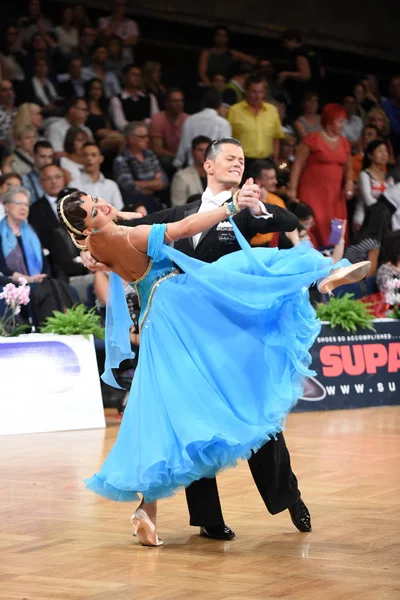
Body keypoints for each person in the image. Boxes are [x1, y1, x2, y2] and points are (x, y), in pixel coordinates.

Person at [63, 138, 369, 546]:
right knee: (197, 414)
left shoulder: (109, 236)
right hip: (189, 313)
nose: (238, 164)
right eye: (230, 157)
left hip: (207, 317)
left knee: (220, 407)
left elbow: (285, 220)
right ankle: (321, 274)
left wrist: (254, 208)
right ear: (207, 165)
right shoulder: (164, 220)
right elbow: (172, 226)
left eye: (242, 160)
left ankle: (276, 498)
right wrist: (227, 208)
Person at [288, 103, 352, 247]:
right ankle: (314, 252)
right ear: (330, 121)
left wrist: (348, 184)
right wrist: (292, 188)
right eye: (340, 121)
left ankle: (335, 253)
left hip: (335, 195)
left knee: (336, 222)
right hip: (313, 192)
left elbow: (349, 168)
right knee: (315, 220)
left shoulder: (344, 143)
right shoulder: (312, 140)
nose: (343, 125)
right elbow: (297, 165)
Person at [228, 74, 283, 169]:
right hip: (242, 161)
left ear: (265, 92)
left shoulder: (272, 110)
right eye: (253, 92)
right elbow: (228, 138)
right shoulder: (234, 110)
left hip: (266, 160)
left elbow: (276, 136)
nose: (257, 96)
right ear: (246, 91)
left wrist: (275, 157)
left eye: (260, 92)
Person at [113, 121, 168, 213]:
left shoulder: (150, 155)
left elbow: (164, 181)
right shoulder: (121, 160)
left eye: (147, 136)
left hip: (154, 203)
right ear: (131, 139)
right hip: (135, 206)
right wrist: (154, 183)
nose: (147, 140)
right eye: (142, 137)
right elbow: (128, 187)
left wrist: (139, 183)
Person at [0, 186, 49, 285]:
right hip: (11, 286)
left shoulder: (32, 231)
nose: (23, 207)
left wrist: (42, 276)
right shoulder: (1, 233)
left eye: (26, 204)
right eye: (18, 203)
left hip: (38, 282)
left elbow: (44, 262)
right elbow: (2, 268)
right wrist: (27, 279)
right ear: (6, 206)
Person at [174, 90, 231, 168]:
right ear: (219, 104)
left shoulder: (190, 120)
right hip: (214, 169)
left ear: (203, 103)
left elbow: (184, 145)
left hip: (193, 167)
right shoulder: (223, 123)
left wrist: (178, 164)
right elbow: (225, 150)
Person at [280, 29, 324, 118]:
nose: (284, 45)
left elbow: (305, 75)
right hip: (316, 92)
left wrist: (287, 74)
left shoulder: (299, 54)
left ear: (293, 40)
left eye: (285, 42)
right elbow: (322, 72)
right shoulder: (311, 51)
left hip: (304, 95)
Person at [353, 140, 395, 229]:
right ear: (370, 155)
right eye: (380, 151)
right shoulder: (364, 175)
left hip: (384, 221)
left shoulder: (389, 178)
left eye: (385, 151)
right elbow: (368, 200)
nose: (384, 154)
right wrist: (388, 209)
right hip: (365, 220)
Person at [70, 142, 123, 210]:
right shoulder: (74, 185)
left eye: (93, 155)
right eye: (85, 155)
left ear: (101, 159)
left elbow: (119, 210)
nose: (89, 158)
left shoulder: (111, 185)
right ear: (82, 159)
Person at [247, 159, 286, 247]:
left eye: (275, 177)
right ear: (258, 181)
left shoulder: (277, 200)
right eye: (271, 178)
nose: (275, 182)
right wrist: (263, 201)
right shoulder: (244, 198)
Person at [109, 64, 159, 132]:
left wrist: (145, 122)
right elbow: (120, 125)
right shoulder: (116, 99)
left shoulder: (150, 97)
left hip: (149, 134)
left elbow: (156, 120)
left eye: (139, 75)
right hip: (127, 137)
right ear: (125, 76)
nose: (137, 78)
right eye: (133, 75)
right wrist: (143, 123)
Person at [149, 88, 188, 173]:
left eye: (181, 101)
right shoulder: (157, 119)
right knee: (165, 161)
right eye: (175, 101)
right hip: (167, 158)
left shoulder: (188, 119)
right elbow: (157, 149)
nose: (179, 104)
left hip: (183, 157)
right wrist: (177, 157)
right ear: (166, 104)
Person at [85, 78, 125, 152]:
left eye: (99, 89)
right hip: (94, 139)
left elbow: (109, 126)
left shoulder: (103, 107)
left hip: (107, 135)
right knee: (121, 140)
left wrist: (109, 132)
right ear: (89, 90)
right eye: (94, 89)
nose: (96, 92)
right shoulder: (85, 106)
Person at [170, 135, 210, 206]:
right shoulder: (181, 176)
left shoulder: (218, 174)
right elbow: (177, 207)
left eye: (207, 150)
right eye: (200, 150)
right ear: (193, 152)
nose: (204, 153)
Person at [22, 140, 54, 205]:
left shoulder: (58, 177)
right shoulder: (26, 179)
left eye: (50, 157)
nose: (47, 161)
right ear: (34, 156)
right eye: (42, 156)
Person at [383, 76, 400, 156]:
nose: (396, 89)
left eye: (399, 85)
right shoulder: (387, 105)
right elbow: (395, 128)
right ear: (390, 89)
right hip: (393, 147)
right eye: (394, 86)